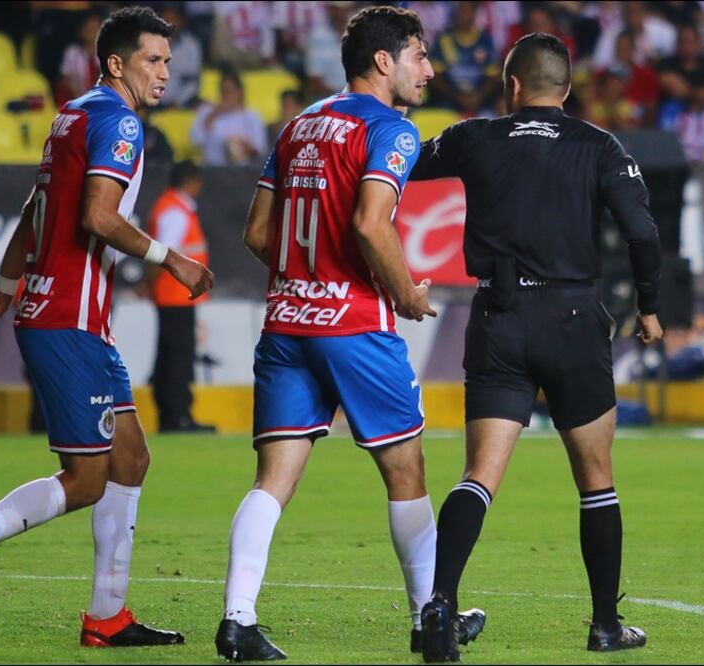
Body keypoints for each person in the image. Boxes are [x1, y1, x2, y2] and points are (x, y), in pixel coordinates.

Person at [0, 6, 213, 646]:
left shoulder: (74, 113)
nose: (164, 73)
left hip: (62, 311)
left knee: (130, 458)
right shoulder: (119, 121)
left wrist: (4, 291)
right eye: (153, 60)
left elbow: (35, 209)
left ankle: (107, 617)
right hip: (71, 316)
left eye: (168, 61)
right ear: (116, 63)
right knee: (88, 477)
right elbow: (98, 216)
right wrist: (171, 257)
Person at [213, 6, 483, 661]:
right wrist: (404, 290)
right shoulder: (392, 129)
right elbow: (369, 223)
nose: (430, 67)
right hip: (353, 324)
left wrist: (304, 279)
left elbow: (256, 233)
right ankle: (429, 618)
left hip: (285, 320)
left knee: (273, 477)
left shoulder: (299, 124)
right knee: (405, 469)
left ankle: (237, 619)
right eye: (419, 55)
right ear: (383, 62)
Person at [408, 32, 662, 661]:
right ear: (567, 90)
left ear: (511, 86)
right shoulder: (599, 146)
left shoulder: (473, 137)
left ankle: (439, 604)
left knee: (479, 475)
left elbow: (400, 163)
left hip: (498, 316)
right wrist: (650, 308)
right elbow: (643, 233)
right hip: (572, 318)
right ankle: (605, 625)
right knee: (596, 479)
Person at [145, 159, 216, 433]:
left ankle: (172, 415)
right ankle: (178, 416)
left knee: (169, 356)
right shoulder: (175, 212)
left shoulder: (171, 207)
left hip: (172, 295)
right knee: (178, 358)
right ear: (191, 181)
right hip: (175, 295)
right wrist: (150, 283)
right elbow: (163, 253)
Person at [190, 69, 267, 166]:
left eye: (229, 91)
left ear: (239, 92)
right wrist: (214, 115)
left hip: (242, 171)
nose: (226, 95)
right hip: (212, 168)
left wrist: (244, 147)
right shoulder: (206, 111)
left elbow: (260, 149)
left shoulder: (252, 116)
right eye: (223, 91)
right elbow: (195, 140)